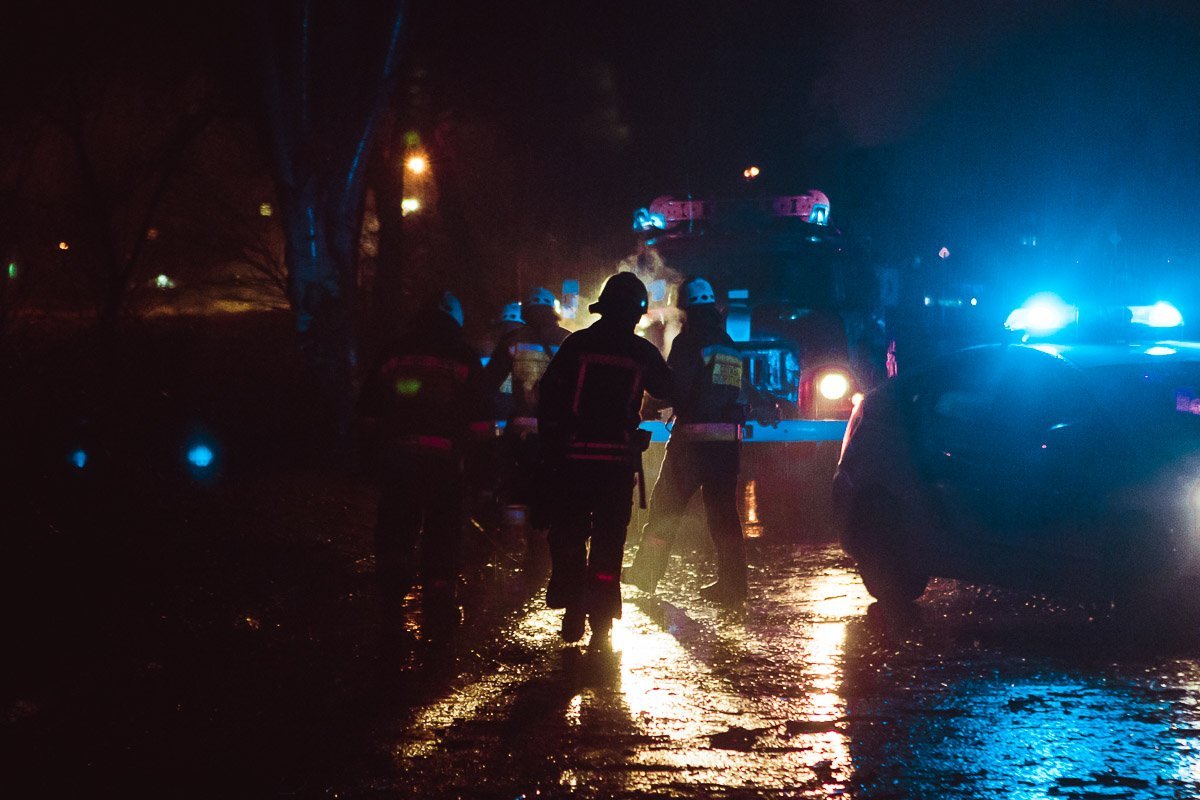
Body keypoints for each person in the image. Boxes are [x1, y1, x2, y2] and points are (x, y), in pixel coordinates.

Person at [537, 272, 671, 646]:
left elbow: (548, 395)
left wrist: (552, 446)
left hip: (572, 462)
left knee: (568, 534)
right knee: (610, 542)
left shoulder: (576, 345)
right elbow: (669, 388)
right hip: (616, 464)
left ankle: (572, 601)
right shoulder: (641, 351)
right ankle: (602, 621)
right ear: (636, 313)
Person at [361, 290, 483, 631]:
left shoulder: (393, 352)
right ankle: (439, 590)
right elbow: (481, 421)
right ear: (456, 319)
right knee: (442, 529)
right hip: (445, 462)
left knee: (396, 522)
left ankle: (391, 583)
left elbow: (368, 410)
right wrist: (480, 463)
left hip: (399, 458)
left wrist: (372, 454)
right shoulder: (464, 355)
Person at [625, 277, 748, 607]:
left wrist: (647, 400)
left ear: (688, 309)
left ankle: (646, 574)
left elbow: (674, 387)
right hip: (726, 444)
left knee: (666, 508)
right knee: (723, 514)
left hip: (693, 444)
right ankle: (734, 585)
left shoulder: (689, 341)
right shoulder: (729, 344)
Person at [478, 287, 571, 574]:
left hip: (521, 433)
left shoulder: (514, 341)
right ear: (553, 312)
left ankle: (512, 546)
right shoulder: (569, 341)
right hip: (558, 435)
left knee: (517, 491)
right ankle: (546, 557)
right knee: (554, 492)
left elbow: (487, 384)